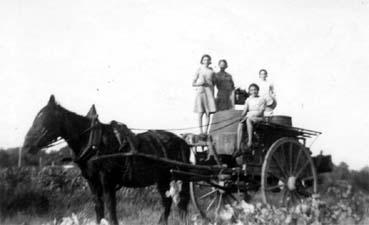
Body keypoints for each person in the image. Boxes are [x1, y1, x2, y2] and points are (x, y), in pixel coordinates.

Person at [236, 83, 266, 151]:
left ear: (258, 90)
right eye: (251, 90)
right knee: (240, 123)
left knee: (248, 120)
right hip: (249, 116)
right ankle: (238, 147)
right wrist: (241, 116)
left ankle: (250, 141)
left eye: (255, 89)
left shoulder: (262, 99)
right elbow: (245, 110)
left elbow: (260, 112)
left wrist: (249, 116)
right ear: (249, 91)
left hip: (259, 118)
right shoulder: (248, 99)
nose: (253, 91)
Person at [193, 54, 216, 134]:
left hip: (209, 91)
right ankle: (200, 131)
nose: (206, 61)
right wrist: (199, 83)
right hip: (201, 91)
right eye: (204, 60)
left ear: (210, 61)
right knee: (200, 112)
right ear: (202, 61)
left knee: (208, 113)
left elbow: (214, 82)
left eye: (208, 60)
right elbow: (193, 83)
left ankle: (206, 132)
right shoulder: (199, 69)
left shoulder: (212, 71)